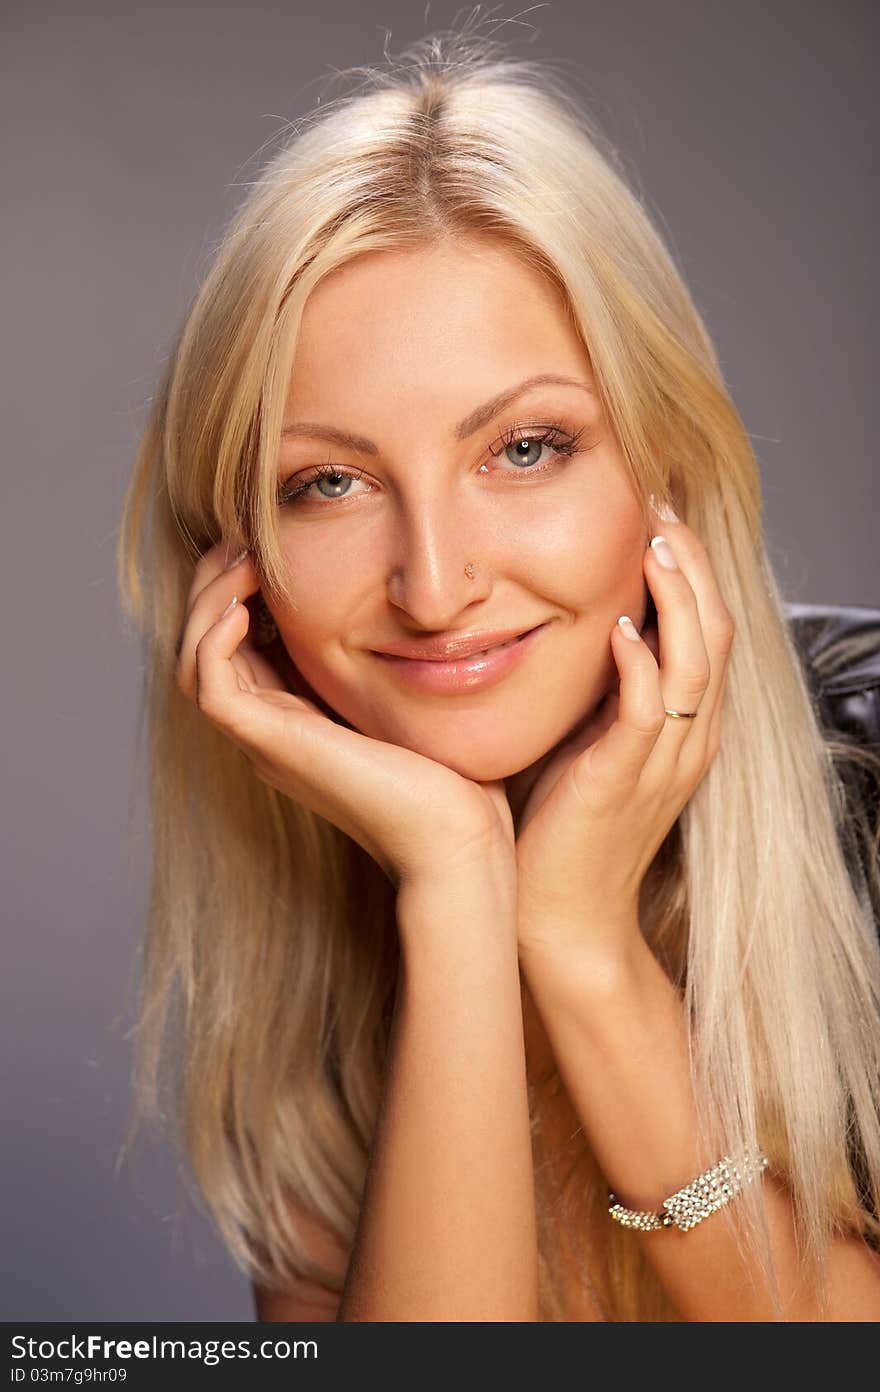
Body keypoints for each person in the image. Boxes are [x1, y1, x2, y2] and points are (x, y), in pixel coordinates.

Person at [116, 30, 880, 1321]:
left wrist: (580, 943)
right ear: (234, 556)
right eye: (330, 483)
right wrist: (462, 890)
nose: (434, 582)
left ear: (668, 460)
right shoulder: (318, 900)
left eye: (524, 449)